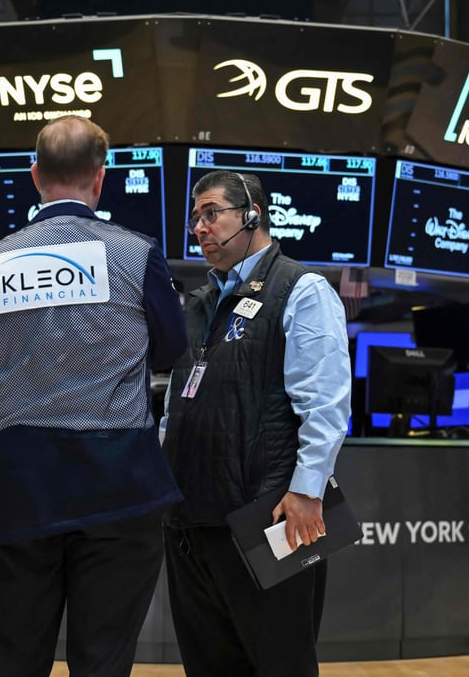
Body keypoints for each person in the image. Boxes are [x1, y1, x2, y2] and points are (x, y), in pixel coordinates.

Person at [0, 116, 187, 676]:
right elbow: (171, 349)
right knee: (103, 663)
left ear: (35, 176)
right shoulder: (136, 254)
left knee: (15, 660)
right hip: (118, 486)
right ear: (99, 180)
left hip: (18, 488)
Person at [160, 170, 352, 676]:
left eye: (211, 214)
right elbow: (176, 404)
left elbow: (326, 401)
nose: (199, 228)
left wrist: (308, 491)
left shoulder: (302, 288)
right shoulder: (198, 305)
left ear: (252, 215)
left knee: (278, 662)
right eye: (194, 218)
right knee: (209, 665)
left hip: (269, 516)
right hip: (190, 521)